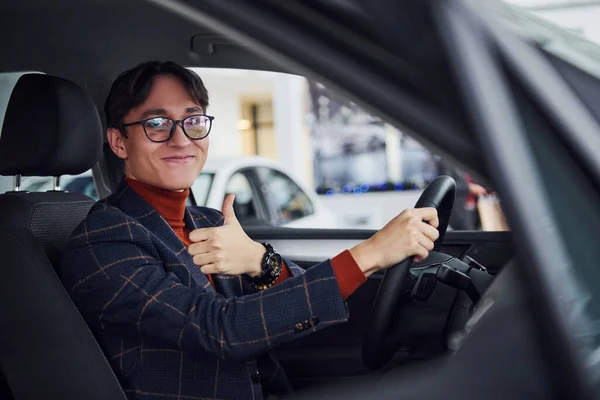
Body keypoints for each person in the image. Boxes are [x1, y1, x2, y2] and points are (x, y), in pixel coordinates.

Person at [59, 61, 440, 400]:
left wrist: (260, 261)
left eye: (192, 120)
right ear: (118, 142)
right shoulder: (100, 243)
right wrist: (371, 253)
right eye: (156, 123)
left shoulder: (207, 221)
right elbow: (220, 329)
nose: (181, 139)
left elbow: (286, 309)